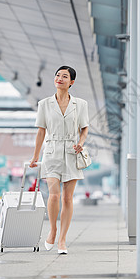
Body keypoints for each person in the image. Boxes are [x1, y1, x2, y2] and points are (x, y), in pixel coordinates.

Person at [29, 66, 89, 254]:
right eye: (57, 75)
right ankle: (53, 230)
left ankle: (62, 240)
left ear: (71, 82)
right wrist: (35, 156)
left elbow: (85, 128)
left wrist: (80, 142)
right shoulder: (44, 104)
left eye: (64, 76)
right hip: (52, 151)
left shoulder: (80, 104)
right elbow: (41, 131)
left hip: (72, 151)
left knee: (68, 198)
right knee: (54, 194)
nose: (59, 78)